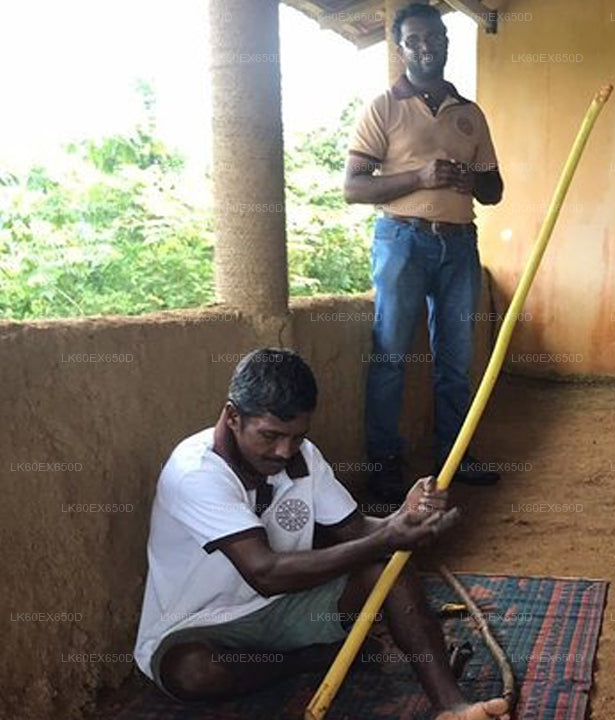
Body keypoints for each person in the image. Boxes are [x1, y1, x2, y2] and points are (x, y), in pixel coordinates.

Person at [133, 349, 509, 720]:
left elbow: (356, 530)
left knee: (390, 571)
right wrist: (388, 537)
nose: (284, 451)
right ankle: (311, 658)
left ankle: (452, 706)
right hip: (200, 625)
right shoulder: (196, 472)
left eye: (296, 437)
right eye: (270, 435)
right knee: (193, 673)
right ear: (232, 416)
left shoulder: (304, 456)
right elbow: (265, 573)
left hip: (285, 607)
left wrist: (405, 518)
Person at [345, 2, 504, 506]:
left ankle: (453, 458)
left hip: (459, 245)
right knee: (391, 356)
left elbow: (495, 190)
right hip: (402, 241)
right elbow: (353, 187)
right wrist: (419, 176)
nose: (425, 46)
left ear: (445, 42)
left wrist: (469, 178)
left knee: (456, 360)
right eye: (413, 40)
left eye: (433, 37)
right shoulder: (382, 108)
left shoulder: (470, 114)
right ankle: (384, 469)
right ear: (401, 48)